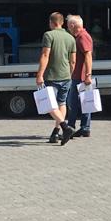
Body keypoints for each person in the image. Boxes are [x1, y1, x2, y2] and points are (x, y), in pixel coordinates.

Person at [35, 12, 76, 144]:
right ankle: (56, 132)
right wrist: (70, 74)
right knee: (61, 104)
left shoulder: (48, 35)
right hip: (66, 76)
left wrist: (40, 74)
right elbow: (73, 61)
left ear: (51, 23)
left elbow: (45, 55)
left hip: (52, 76)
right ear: (62, 22)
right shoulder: (71, 38)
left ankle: (65, 127)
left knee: (49, 105)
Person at [64, 14, 94, 142]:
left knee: (73, 103)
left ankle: (73, 127)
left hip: (80, 77)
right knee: (84, 102)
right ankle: (84, 128)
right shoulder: (82, 36)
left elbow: (88, 56)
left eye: (68, 25)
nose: (68, 28)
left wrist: (88, 75)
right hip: (79, 76)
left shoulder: (82, 37)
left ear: (72, 25)